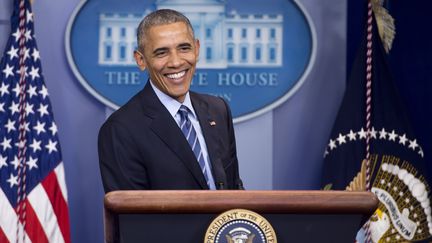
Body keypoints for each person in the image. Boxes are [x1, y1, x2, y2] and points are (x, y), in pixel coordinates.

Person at [98, 9, 243, 192]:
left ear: (197, 49)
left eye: (184, 48)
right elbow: (132, 217)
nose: (175, 62)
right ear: (141, 60)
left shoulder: (218, 110)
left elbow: (234, 189)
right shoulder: (120, 130)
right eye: (161, 53)